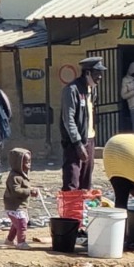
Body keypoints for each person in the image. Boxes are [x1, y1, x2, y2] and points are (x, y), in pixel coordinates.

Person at [60, 57, 106, 191]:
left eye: (101, 73)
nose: (100, 77)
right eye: (97, 73)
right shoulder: (72, 90)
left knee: (86, 180)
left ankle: (84, 203)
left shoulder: (92, 89)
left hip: (89, 139)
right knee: (72, 180)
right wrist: (78, 144)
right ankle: (71, 205)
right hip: (74, 142)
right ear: (87, 73)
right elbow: (68, 119)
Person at [1, 148, 39, 250]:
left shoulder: (23, 175)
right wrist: (29, 191)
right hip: (14, 206)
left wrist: (31, 191)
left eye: (29, 161)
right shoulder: (14, 177)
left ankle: (9, 240)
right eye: (26, 162)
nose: (29, 164)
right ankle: (21, 242)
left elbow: (24, 188)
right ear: (17, 164)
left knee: (16, 224)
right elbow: (16, 191)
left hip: (20, 206)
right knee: (22, 224)